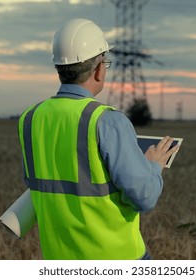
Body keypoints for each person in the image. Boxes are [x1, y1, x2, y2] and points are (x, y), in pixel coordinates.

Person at [17, 18, 179, 260]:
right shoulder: (108, 121)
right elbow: (144, 197)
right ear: (100, 68)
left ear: (59, 68)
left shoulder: (30, 118)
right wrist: (152, 165)